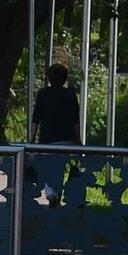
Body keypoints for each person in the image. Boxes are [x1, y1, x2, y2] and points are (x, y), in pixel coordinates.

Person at [30, 64, 81, 207]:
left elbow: (36, 119)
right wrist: (78, 140)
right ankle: (60, 193)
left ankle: (51, 193)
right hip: (67, 139)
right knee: (63, 169)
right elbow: (75, 120)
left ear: (49, 78)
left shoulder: (43, 94)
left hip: (48, 140)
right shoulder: (70, 94)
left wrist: (31, 139)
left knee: (48, 168)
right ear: (65, 78)